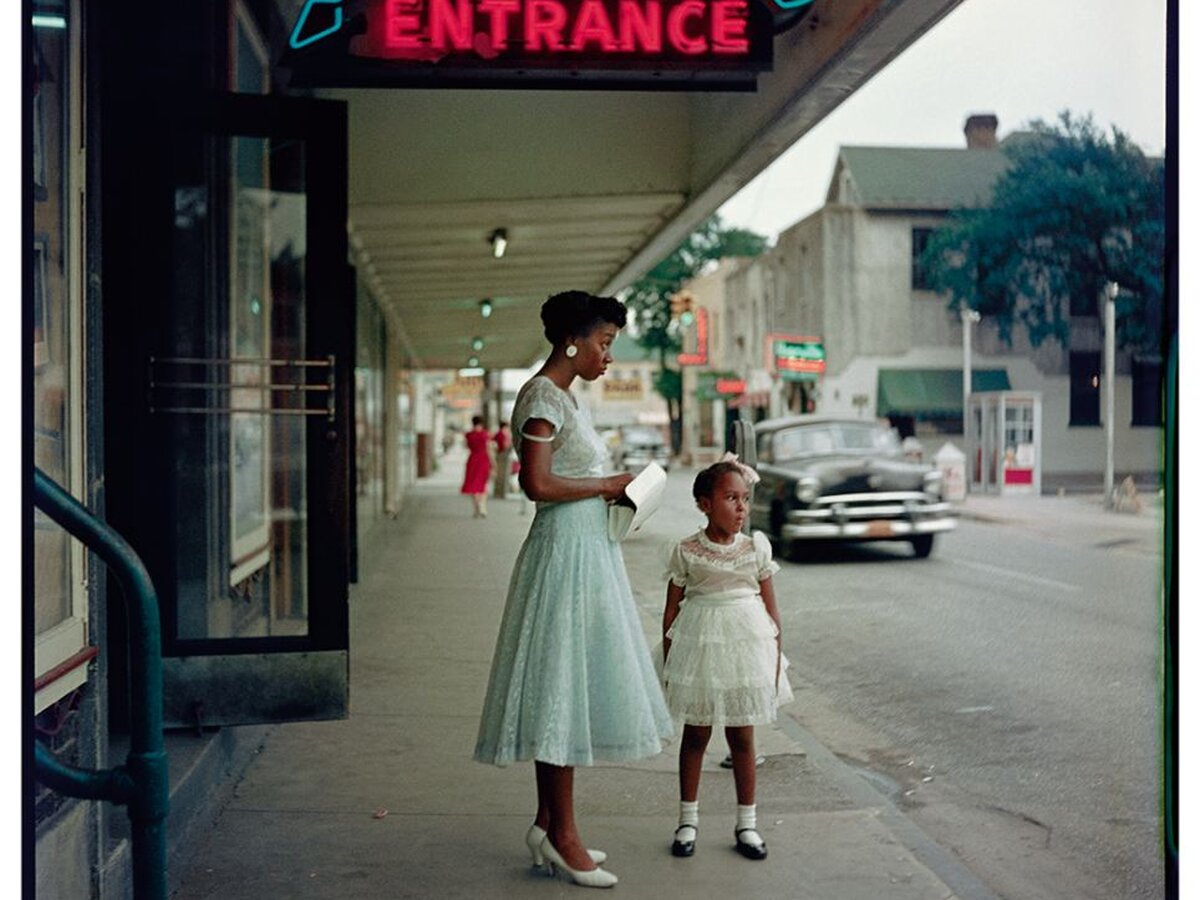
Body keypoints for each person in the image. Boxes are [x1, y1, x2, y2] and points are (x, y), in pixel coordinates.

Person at [474, 290, 673, 889]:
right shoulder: (542, 396)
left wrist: (616, 491)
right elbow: (535, 484)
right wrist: (610, 481)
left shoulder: (564, 399)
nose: (608, 356)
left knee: (570, 684)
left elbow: (565, 474)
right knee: (560, 686)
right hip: (564, 553)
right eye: (604, 343)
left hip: (587, 550)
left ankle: (547, 822)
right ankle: (563, 835)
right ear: (573, 341)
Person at [660, 458, 794, 862]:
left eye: (745, 499)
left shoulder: (755, 549)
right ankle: (687, 820)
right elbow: (671, 613)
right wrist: (671, 666)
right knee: (696, 735)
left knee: (742, 738)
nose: (741, 508)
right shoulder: (687, 551)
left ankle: (747, 823)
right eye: (730, 498)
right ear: (704, 504)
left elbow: (772, 617)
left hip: (745, 650)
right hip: (700, 648)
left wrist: (772, 664)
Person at [460, 415, 493, 518]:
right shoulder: (485, 434)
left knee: (473, 485)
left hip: (473, 460)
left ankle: (476, 509)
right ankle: (483, 508)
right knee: (482, 484)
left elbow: (465, 446)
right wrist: (493, 463)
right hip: (484, 460)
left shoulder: (468, 435)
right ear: (482, 423)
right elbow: (489, 449)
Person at [492, 421, 513, 500]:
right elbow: (505, 445)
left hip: (499, 455)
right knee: (503, 474)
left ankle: (498, 492)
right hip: (503, 455)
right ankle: (502, 493)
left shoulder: (498, 434)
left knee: (500, 475)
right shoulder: (502, 435)